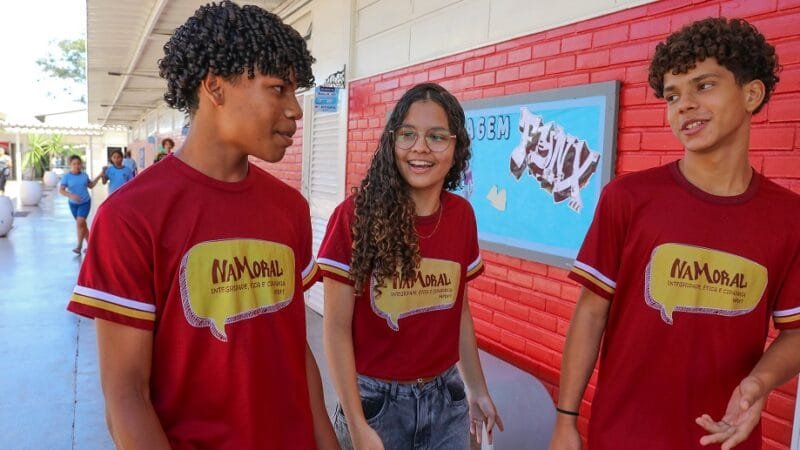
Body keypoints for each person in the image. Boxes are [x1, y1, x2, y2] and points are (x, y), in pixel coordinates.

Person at [66, 2, 338, 448]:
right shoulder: (131, 216)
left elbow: (294, 346)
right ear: (214, 86)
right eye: (278, 89)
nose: (296, 110)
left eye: (296, 92)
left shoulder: (289, 208)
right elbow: (126, 396)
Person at [549, 17, 800, 450]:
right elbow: (591, 314)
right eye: (672, 94)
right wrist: (566, 420)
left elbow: (795, 331)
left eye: (703, 86)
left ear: (751, 94)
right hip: (624, 436)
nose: (683, 104)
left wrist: (759, 382)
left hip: (725, 438)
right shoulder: (628, 197)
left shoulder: (789, 217)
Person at [318, 83, 503, 450]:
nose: (420, 148)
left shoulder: (461, 216)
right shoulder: (354, 217)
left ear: (456, 147)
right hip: (375, 403)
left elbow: (457, 309)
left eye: (436, 136)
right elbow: (336, 328)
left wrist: (477, 388)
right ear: (392, 142)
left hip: (446, 397)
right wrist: (356, 424)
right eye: (408, 134)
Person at [59, 155, 102, 254]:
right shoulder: (67, 177)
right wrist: (71, 195)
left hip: (85, 202)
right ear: (70, 165)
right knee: (82, 225)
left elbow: (90, 185)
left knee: (80, 223)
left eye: (78, 164)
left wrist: (100, 175)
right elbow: (61, 190)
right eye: (74, 164)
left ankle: (79, 246)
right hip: (73, 204)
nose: (77, 166)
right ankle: (92, 245)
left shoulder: (84, 175)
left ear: (81, 165)